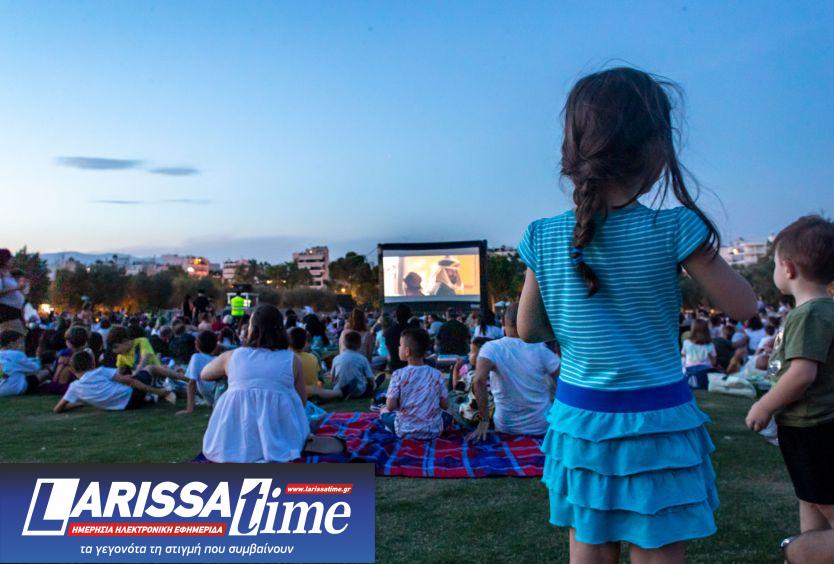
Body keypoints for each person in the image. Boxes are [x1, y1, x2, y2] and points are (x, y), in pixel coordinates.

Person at [515, 68, 757, 561]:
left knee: (589, 544)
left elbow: (528, 328)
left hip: (581, 420)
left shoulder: (542, 236)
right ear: (655, 149)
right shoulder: (675, 229)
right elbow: (745, 306)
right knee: (657, 546)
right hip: (656, 423)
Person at [744, 216, 834, 562]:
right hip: (810, 429)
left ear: (789, 268)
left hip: (812, 428)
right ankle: (806, 551)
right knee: (811, 500)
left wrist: (764, 406)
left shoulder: (808, 315)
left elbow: (802, 375)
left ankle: (798, 552)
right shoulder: (820, 311)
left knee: (822, 501)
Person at [201, 304, 310, 463]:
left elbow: (204, 374)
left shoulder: (232, 356)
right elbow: (302, 402)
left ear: (251, 328)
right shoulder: (292, 360)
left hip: (230, 442)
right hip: (282, 438)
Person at [467, 303, 560, 438]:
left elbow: (479, 380)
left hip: (506, 426)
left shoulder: (491, 348)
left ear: (503, 321)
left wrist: (484, 420)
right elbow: (564, 379)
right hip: (541, 426)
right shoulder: (540, 348)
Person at [380, 328, 450, 439]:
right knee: (448, 415)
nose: (398, 348)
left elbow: (390, 406)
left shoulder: (398, 374)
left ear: (407, 351)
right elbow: (445, 405)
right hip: (434, 430)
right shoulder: (436, 374)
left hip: (405, 430)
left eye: (400, 345)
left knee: (383, 411)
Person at [53, 349, 176, 413]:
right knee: (150, 368)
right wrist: (157, 391)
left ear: (73, 370)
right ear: (91, 364)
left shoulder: (74, 387)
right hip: (133, 394)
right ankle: (167, 385)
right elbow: (130, 382)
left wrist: (76, 404)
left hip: (125, 407)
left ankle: (151, 395)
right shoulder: (99, 371)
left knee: (127, 379)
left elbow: (57, 409)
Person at [451, 337, 493, 425]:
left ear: (480, 356)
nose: (468, 354)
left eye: (471, 351)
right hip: (492, 415)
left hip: (473, 417)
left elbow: (457, 389)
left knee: (451, 400)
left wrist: (456, 369)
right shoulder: (496, 374)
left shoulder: (472, 375)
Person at [179, 330, 219, 413]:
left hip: (213, 394)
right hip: (219, 395)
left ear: (196, 345)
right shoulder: (217, 359)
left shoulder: (196, 357)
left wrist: (189, 409)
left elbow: (191, 383)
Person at [330, 331, 376, 399]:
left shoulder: (336, 358)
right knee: (370, 385)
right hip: (358, 392)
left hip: (338, 390)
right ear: (360, 344)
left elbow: (332, 379)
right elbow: (370, 379)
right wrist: (374, 386)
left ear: (344, 343)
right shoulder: (362, 358)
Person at [0, 330, 39, 397]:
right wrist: (38, 357)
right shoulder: (17, 354)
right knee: (45, 372)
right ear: (12, 343)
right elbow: (36, 368)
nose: (23, 345)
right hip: (14, 389)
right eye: (21, 342)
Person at [681, 318, 717, 388]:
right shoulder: (710, 345)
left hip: (689, 370)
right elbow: (714, 362)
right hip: (705, 371)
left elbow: (683, 357)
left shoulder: (686, 342)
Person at [0, 249, 25, 334]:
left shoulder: (8, 274)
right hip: (7, 314)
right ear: (4, 260)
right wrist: (17, 288)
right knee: (14, 341)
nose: (12, 260)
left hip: (15, 312)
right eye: (10, 258)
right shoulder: (1, 275)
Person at [384, 304, 411, 371]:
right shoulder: (415, 330)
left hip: (395, 365)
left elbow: (389, 349)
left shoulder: (389, 331)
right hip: (411, 365)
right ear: (409, 315)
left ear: (396, 315)